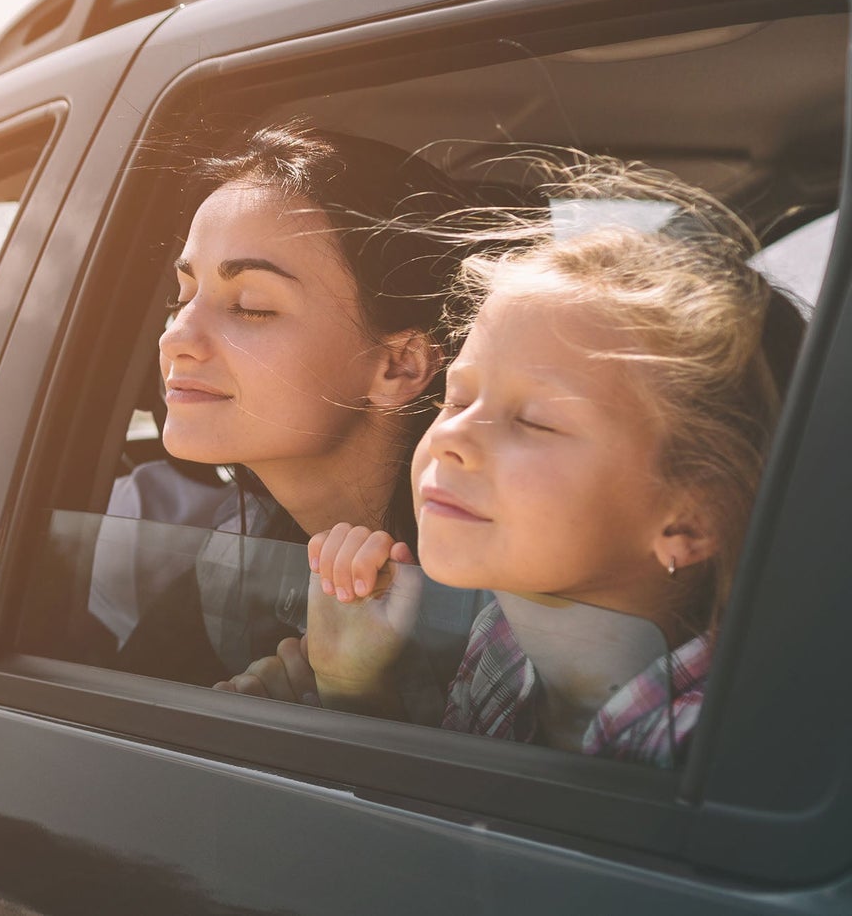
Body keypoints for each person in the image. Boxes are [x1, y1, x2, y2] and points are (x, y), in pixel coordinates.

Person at [238, 164, 799, 767]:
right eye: (457, 398)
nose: (451, 435)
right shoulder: (503, 643)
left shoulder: (723, 756)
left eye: (534, 421)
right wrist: (352, 687)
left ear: (689, 520)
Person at [89, 120, 482, 678]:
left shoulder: (495, 619)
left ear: (399, 365)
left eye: (251, 305)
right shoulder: (235, 560)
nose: (175, 336)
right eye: (184, 295)